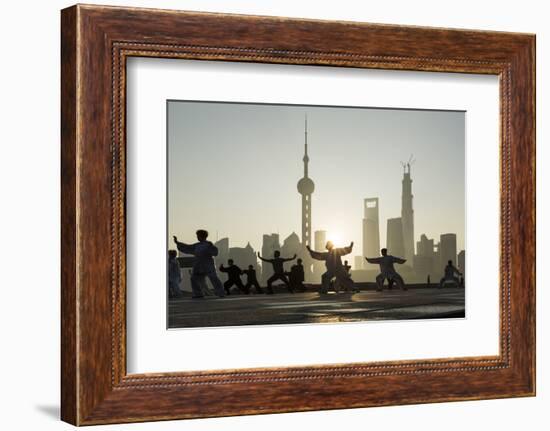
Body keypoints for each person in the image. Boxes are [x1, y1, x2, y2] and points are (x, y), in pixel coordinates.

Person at [173, 230, 225, 298]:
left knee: (214, 278)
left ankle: (221, 292)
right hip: (199, 265)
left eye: (198, 236)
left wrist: (211, 248)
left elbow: (215, 252)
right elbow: (188, 247)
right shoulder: (197, 245)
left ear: (202, 236)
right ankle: (198, 293)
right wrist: (178, 243)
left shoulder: (208, 244)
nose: (197, 237)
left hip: (208, 265)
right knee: (194, 278)